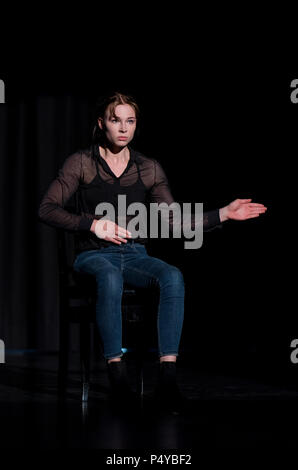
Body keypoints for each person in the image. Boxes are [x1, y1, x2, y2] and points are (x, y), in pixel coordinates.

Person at [38, 91, 267, 413]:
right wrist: (91, 225)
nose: (123, 127)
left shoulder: (148, 168)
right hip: (93, 255)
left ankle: (168, 378)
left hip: (134, 256)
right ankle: (117, 375)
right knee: (109, 277)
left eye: (129, 121)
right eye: (115, 120)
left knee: (172, 276)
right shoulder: (82, 163)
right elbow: (47, 209)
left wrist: (223, 214)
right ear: (102, 123)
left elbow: (173, 222)